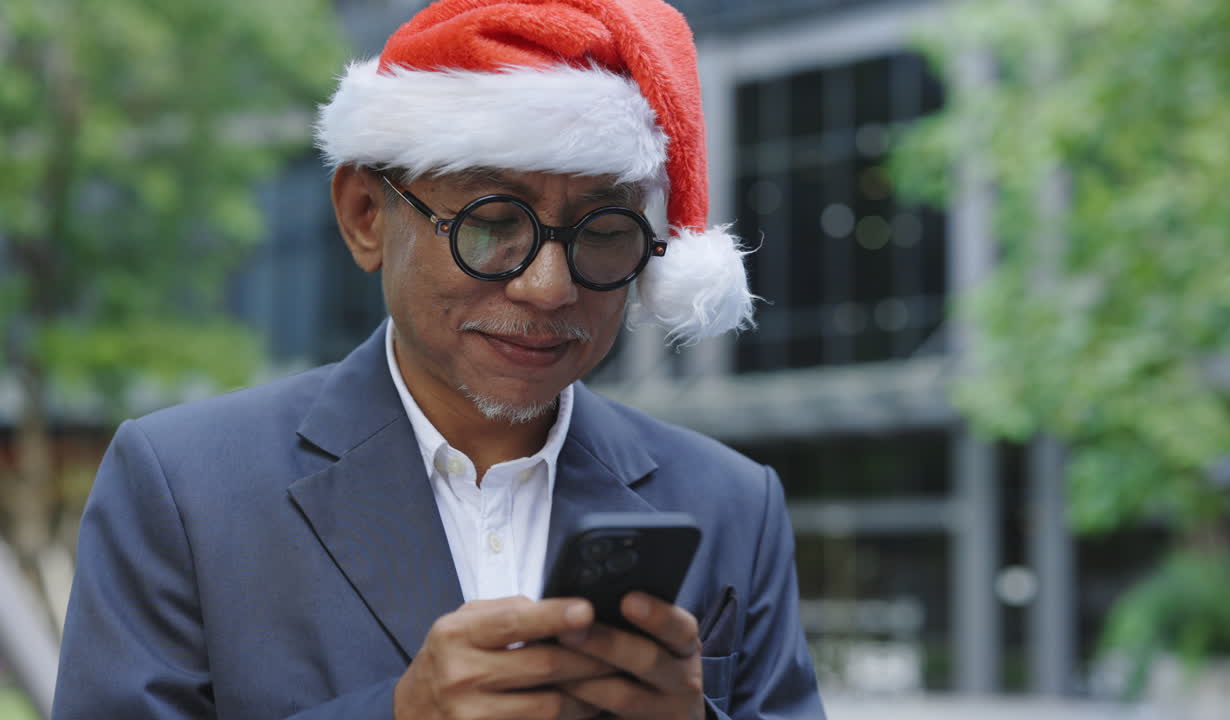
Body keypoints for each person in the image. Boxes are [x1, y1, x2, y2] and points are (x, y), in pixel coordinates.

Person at [52, 1, 824, 718]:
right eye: (492, 224)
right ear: (365, 216)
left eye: (601, 231)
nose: (547, 286)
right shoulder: (184, 487)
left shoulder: (733, 504)